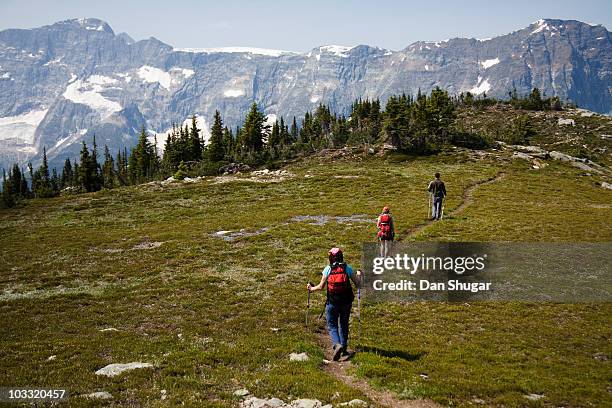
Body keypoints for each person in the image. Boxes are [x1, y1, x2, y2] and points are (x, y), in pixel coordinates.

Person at [307, 248, 361, 361]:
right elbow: (358, 284)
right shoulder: (347, 268)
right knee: (344, 323)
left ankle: (337, 344)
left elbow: (321, 286)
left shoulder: (328, 269)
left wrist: (311, 288)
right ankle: (344, 347)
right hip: (346, 302)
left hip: (332, 302)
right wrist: (360, 275)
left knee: (332, 325)